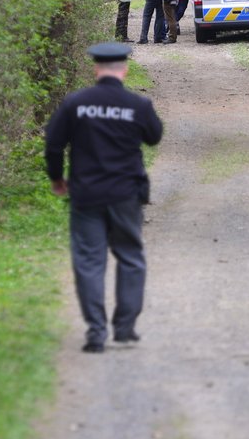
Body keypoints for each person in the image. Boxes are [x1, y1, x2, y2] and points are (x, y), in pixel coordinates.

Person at [44, 42, 164, 353]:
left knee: (88, 261)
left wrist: (57, 178)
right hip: (126, 193)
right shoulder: (137, 105)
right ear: (123, 69)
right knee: (130, 258)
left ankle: (96, 333)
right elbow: (154, 137)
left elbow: (54, 145)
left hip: (86, 194)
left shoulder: (76, 104)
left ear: (96, 69)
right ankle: (124, 329)